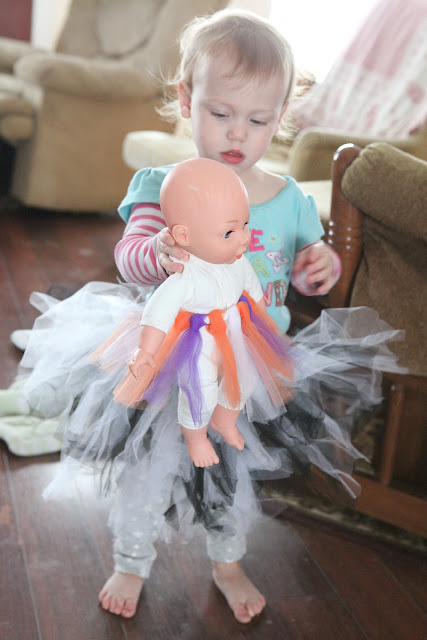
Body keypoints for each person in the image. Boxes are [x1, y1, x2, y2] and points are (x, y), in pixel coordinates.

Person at [1, 8, 402, 625]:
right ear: (188, 101)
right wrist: (158, 253)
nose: (238, 132)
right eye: (220, 113)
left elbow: (300, 271)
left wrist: (315, 266)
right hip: (169, 363)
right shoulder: (163, 184)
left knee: (231, 473)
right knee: (148, 471)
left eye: (258, 120)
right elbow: (130, 255)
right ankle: (132, 559)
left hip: (248, 369)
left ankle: (228, 560)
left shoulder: (290, 199)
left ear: (281, 118)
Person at [103, 157, 294, 469]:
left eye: (245, 225)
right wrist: (146, 350)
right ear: (183, 237)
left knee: (245, 379)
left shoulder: (238, 261)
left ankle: (225, 419)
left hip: (236, 329)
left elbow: (253, 290)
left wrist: (264, 321)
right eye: (229, 232)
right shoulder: (184, 275)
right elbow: (157, 313)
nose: (244, 238)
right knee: (198, 393)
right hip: (199, 340)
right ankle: (196, 438)